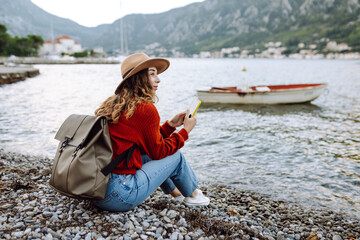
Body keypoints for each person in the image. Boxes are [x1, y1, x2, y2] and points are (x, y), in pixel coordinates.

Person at [92, 53, 210, 212]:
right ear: (139, 78)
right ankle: (194, 196)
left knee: (147, 154)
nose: (158, 79)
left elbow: (146, 143)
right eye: (152, 74)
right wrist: (186, 131)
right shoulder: (144, 108)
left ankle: (177, 193)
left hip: (97, 188)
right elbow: (159, 152)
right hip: (119, 195)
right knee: (175, 156)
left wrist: (170, 126)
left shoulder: (116, 104)